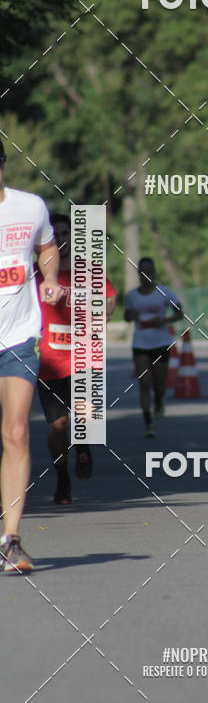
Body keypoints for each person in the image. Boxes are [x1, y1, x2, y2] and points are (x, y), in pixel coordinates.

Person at [0, 139, 61, 572]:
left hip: (20, 336)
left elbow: (47, 248)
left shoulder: (30, 207)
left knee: (17, 432)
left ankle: (11, 540)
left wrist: (50, 277)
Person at [36, 213, 116, 504]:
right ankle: (62, 477)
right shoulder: (37, 272)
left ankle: (83, 446)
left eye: (64, 233)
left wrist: (103, 315)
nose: (60, 239)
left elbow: (109, 297)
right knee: (57, 426)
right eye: (55, 234)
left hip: (84, 356)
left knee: (84, 415)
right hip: (49, 361)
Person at [124, 258, 183, 437]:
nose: (146, 274)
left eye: (149, 271)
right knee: (144, 383)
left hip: (161, 343)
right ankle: (148, 422)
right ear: (138, 274)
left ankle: (159, 401)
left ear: (154, 272)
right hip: (140, 344)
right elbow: (127, 316)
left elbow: (179, 313)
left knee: (159, 384)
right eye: (143, 271)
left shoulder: (164, 292)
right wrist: (130, 315)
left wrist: (164, 320)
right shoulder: (132, 296)